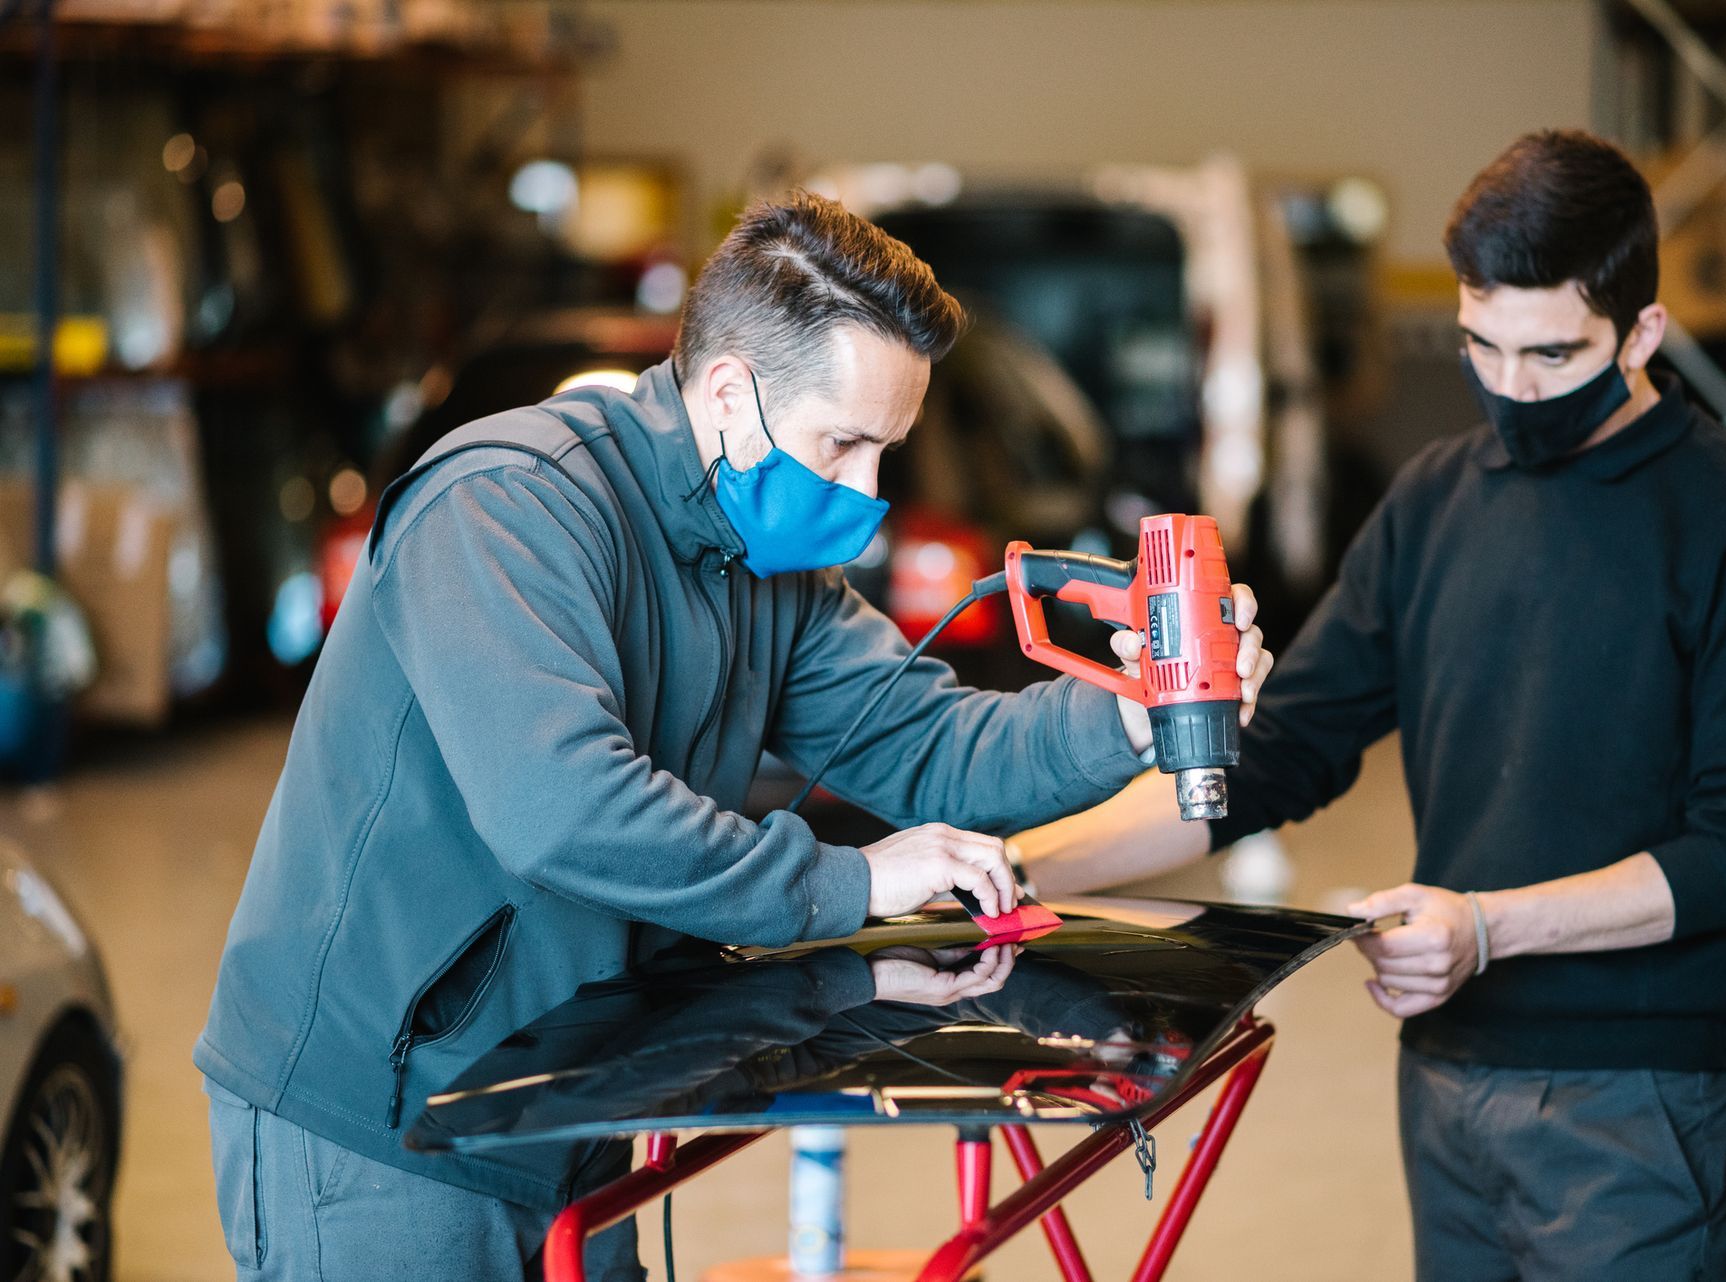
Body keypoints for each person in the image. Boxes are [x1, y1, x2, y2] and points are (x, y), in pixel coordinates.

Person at [194, 192, 1274, 1281]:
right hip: (382, 1121)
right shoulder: (509, 508)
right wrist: (851, 883)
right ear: (729, 394)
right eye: (845, 443)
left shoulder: (767, 570)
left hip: (565, 1093)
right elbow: (561, 806)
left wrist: (1132, 710)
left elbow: (929, 741)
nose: (869, 491)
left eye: (886, 451)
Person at [1006, 130, 1726, 1279]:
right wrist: (1015, 873)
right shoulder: (1437, 499)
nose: (1509, 388)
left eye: (1550, 355)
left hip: (1633, 1103)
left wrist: (1490, 925)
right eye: (1478, 345)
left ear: (1642, 333)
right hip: (1445, 1082)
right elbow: (1275, 754)